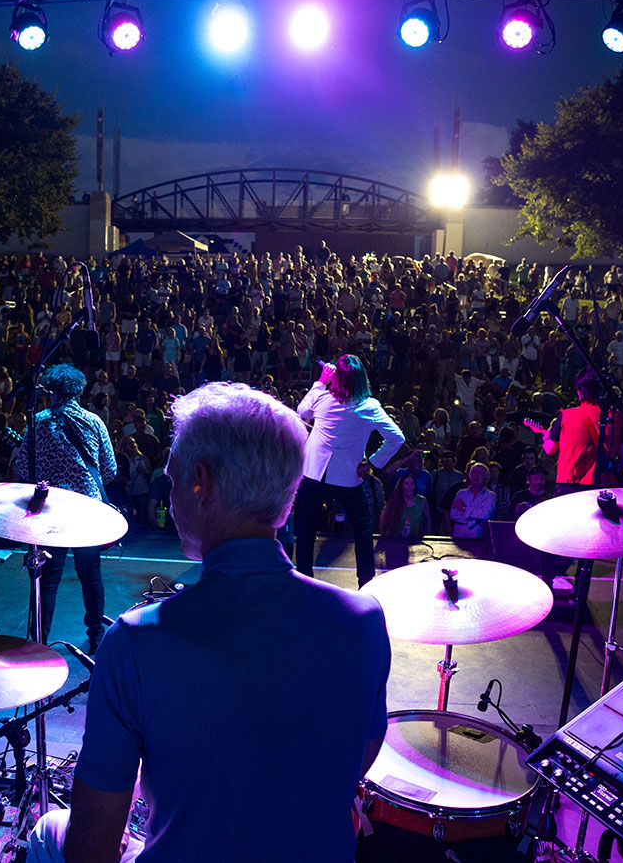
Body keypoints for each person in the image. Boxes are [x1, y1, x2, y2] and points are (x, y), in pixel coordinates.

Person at [28, 382, 390, 863]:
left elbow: (89, 852)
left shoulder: (137, 642)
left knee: (49, 830)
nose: (170, 491)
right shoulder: (363, 622)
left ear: (201, 482)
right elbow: (355, 756)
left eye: (173, 477)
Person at [27, 364, 119, 651]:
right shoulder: (94, 422)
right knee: (90, 574)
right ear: (78, 390)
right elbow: (110, 470)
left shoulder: (38, 422)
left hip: (51, 510)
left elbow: (24, 468)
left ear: (51, 391)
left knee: (49, 578)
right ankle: (96, 637)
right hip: (86, 510)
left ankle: (39, 643)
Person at [293, 355, 406, 587]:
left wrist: (320, 382)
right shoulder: (369, 406)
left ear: (337, 378)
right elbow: (397, 438)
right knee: (363, 530)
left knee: (305, 529)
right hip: (348, 477)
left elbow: (301, 411)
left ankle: (304, 583)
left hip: (315, 473)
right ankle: (365, 582)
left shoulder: (323, 397)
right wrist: (372, 463)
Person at [538, 370, 621, 489]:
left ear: (580, 391)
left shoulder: (566, 415)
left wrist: (546, 438)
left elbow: (550, 450)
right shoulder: (617, 417)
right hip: (605, 484)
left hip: (571, 484)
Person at [448, 462, 496, 540]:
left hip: (479, 538)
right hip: (459, 538)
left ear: (485, 477)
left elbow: (485, 515)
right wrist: (475, 521)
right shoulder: (460, 493)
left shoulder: (490, 495)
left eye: (479, 472)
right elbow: (453, 515)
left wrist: (464, 508)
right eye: (474, 472)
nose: (476, 475)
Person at [378, 472, 430, 539]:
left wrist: (428, 537)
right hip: (396, 540)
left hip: (415, 539)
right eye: (407, 484)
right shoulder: (394, 501)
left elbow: (428, 520)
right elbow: (384, 522)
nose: (410, 487)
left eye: (412, 484)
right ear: (401, 486)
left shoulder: (422, 501)